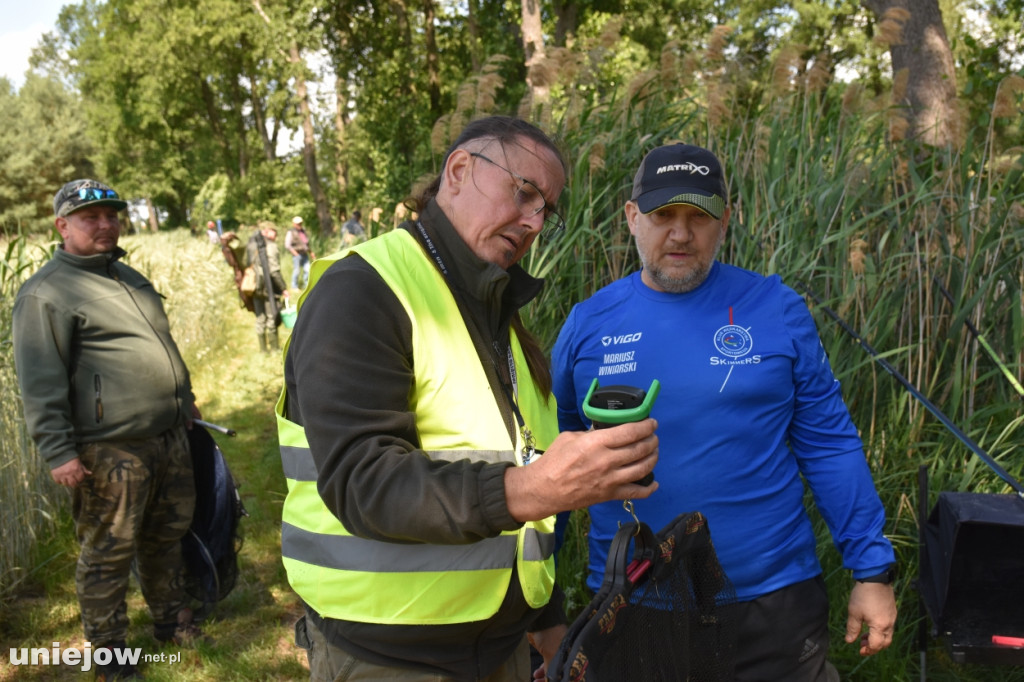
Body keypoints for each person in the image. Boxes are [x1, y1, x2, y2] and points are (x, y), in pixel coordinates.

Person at [276, 116, 660, 682]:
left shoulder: (489, 305)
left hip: (501, 646)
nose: (533, 221)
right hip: (389, 657)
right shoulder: (362, 291)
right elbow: (363, 481)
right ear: (458, 170)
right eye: (523, 191)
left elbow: (522, 482)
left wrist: (548, 627)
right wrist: (536, 488)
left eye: (545, 210)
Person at [551, 143, 898, 681]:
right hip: (632, 603)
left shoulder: (775, 307)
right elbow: (556, 465)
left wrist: (872, 570)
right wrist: (538, 599)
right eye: (663, 215)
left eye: (699, 216)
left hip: (771, 605)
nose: (681, 234)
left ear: (726, 220)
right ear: (631, 218)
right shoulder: (588, 323)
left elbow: (829, 443)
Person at [12, 179, 207, 681]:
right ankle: (110, 655)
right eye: (90, 217)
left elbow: (160, 346)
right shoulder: (46, 293)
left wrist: (184, 402)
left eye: (111, 215)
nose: (105, 224)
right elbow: (40, 380)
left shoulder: (126, 276)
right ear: (62, 226)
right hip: (108, 448)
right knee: (107, 550)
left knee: (167, 535)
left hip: (167, 435)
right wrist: (58, 452)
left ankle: (171, 620)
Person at [246, 221, 288, 352]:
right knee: (272, 317)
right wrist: (283, 288)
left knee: (260, 318)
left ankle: (263, 350)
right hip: (268, 288)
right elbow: (274, 271)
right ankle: (275, 349)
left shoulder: (251, 245)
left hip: (254, 287)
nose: (276, 234)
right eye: (274, 231)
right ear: (268, 231)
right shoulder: (271, 247)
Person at [285, 215, 314, 289]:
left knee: (307, 270)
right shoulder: (291, 232)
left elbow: (306, 244)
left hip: (305, 254)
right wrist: (295, 253)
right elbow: (287, 245)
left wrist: (310, 252)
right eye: (298, 223)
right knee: (296, 271)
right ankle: (294, 286)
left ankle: (306, 286)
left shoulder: (303, 231)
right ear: (294, 224)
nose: (299, 225)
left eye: (300, 223)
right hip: (297, 254)